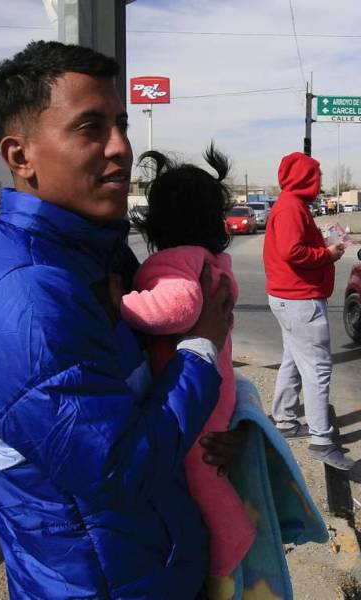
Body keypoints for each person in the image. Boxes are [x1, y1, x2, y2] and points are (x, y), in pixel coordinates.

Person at [0, 41, 235, 599]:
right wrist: (202, 352)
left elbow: (139, 391)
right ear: (20, 155)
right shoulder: (28, 304)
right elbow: (118, 470)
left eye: (121, 124)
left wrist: (219, 427)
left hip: (147, 564)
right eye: (90, 127)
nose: (121, 148)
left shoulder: (91, 252)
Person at [120, 145, 256, 583]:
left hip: (198, 390)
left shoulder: (177, 260)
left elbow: (174, 309)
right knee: (205, 471)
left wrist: (116, 306)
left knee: (200, 475)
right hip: (212, 385)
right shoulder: (211, 259)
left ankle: (228, 553)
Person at [262, 151, 353, 470]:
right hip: (299, 300)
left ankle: (285, 421)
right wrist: (326, 253)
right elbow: (292, 251)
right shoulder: (290, 207)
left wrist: (324, 249)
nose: (320, 181)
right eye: (317, 175)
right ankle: (322, 441)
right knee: (317, 369)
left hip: (290, 298)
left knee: (293, 361)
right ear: (305, 177)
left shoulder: (291, 205)